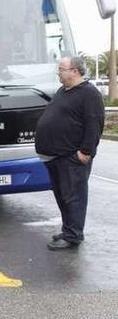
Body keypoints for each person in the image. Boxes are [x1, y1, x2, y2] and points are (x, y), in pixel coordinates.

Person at [35, 56, 105, 250]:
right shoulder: (63, 91)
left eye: (61, 69)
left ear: (74, 71)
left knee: (74, 197)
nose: (58, 72)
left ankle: (73, 236)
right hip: (56, 157)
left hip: (72, 157)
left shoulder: (89, 93)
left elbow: (94, 124)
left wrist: (85, 152)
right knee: (63, 196)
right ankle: (69, 230)